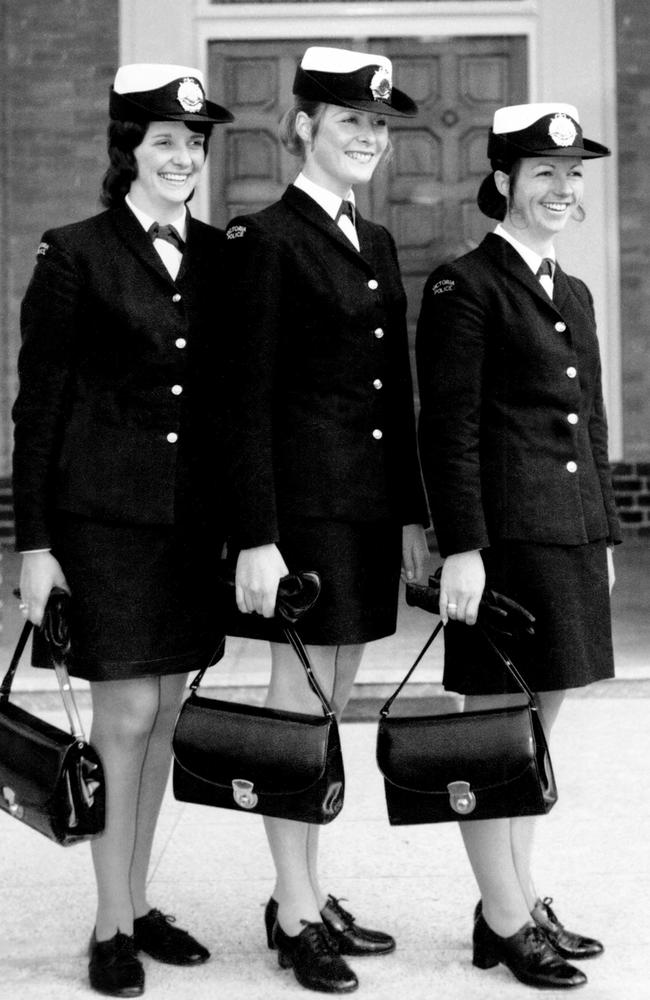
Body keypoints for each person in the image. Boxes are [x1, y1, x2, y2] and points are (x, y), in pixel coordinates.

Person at [12, 64, 233, 997]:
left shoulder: (223, 255)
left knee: (169, 711)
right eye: (163, 143)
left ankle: (137, 903)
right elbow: (40, 411)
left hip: (190, 529)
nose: (181, 157)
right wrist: (34, 546)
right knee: (126, 715)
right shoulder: (75, 255)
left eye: (193, 144)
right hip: (101, 525)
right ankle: (109, 924)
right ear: (127, 153)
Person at [223, 46, 429, 994]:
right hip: (302, 515)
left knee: (333, 695)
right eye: (352, 121)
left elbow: (400, 391)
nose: (370, 138)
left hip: (366, 509)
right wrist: (256, 534)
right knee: (297, 698)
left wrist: (418, 516)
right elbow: (248, 400)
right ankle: (293, 906)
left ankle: (306, 887)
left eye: (381, 125)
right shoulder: (266, 238)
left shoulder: (375, 242)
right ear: (303, 125)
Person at [416, 103, 621, 990]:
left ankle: (516, 896)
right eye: (543, 173)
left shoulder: (567, 290)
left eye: (573, 175)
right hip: (503, 543)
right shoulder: (466, 286)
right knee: (492, 735)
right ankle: (502, 919)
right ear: (503, 180)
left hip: (567, 533)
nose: (562, 189)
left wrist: (603, 531)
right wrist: (462, 546)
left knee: (536, 730)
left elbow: (591, 424)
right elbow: (448, 430)